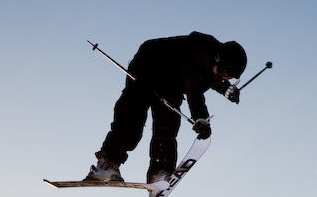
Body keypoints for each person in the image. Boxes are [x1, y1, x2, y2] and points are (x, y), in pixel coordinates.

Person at [85, 32, 247, 183]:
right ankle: (107, 163)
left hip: (171, 83)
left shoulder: (214, 66)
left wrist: (226, 89)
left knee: (168, 124)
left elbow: (209, 79)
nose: (223, 78)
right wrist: (201, 117)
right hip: (148, 66)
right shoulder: (198, 51)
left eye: (228, 77)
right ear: (218, 59)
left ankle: (160, 173)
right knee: (133, 114)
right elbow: (193, 88)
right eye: (223, 74)